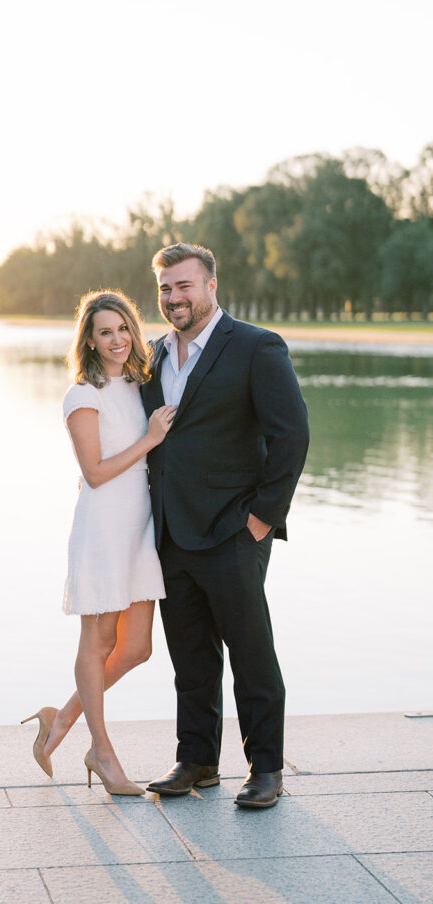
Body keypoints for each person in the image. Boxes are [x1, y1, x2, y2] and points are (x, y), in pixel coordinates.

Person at [142, 243, 310, 809]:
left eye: (184, 286)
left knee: (251, 651)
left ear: (212, 285)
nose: (174, 298)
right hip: (169, 531)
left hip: (232, 529)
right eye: (166, 288)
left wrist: (262, 518)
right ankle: (198, 761)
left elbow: (291, 435)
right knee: (188, 653)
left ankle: (266, 768)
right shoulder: (153, 355)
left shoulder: (257, 347)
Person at [22, 290, 176, 796]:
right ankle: (103, 753)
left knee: (137, 647)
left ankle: (60, 719)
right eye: (105, 331)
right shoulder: (82, 394)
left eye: (123, 329)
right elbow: (94, 473)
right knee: (100, 641)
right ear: (89, 339)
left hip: (138, 529)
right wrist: (150, 440)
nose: (116, 340)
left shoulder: (137, 385)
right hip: (103, 530)